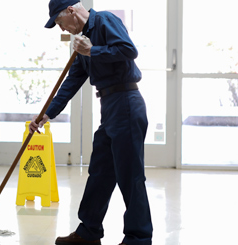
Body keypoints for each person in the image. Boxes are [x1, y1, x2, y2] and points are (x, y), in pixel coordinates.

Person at [29, 0, 153, 245]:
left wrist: (92, 51)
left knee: (130, 175)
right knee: (100, 172)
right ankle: (89, 233)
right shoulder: (82, 42)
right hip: (109, 108)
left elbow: (129, 50)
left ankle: (138, 239)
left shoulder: (105, 20)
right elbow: (72, 81)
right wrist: (47, 113)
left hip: (127, 103)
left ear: (71, 11)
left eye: (59, 22)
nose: (62, 29)